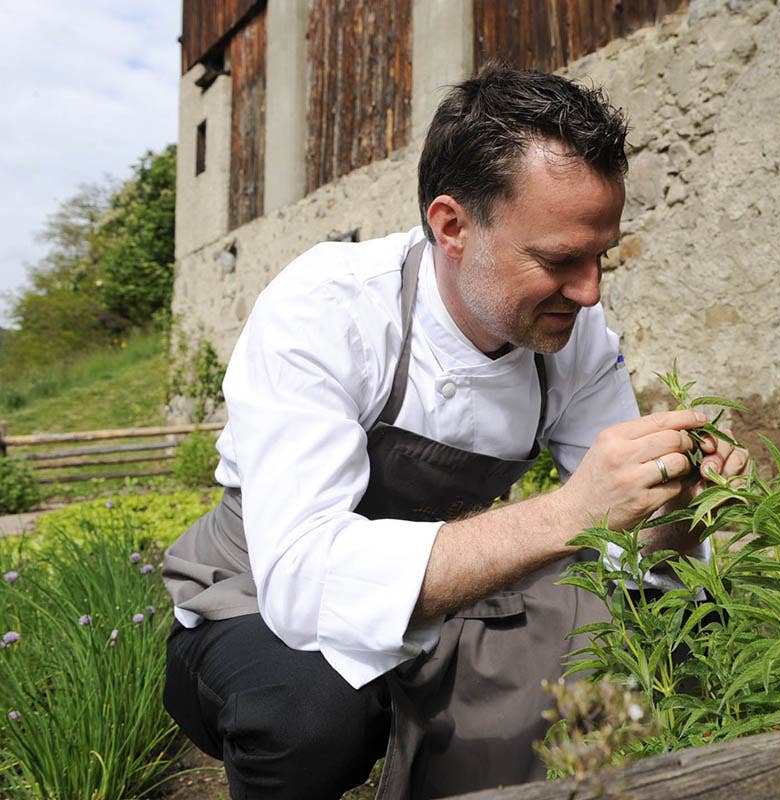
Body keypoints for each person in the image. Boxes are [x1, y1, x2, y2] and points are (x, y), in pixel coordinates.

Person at [162, 66, 746, 800]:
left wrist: (681, 520)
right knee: (311, 713)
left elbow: (632, 554)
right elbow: (303, 585)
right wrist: (572, 514)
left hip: (460, 586)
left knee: (679, 620)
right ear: (452, 226)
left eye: (602, 256)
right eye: (560, 259)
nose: (591, 290)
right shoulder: (328, 309)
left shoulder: (577, 334)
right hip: (254, 595)